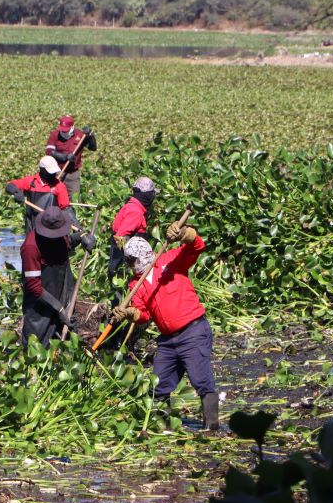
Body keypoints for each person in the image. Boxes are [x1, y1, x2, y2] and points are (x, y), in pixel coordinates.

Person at [112, 223, 219, 430]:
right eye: (128, 261)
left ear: (142, 255)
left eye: (132, 260)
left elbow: (197, 247)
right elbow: (143, 314)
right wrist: (129, 313)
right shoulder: (135, 284)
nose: (131, 265)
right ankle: (163, 426)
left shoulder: (170, 260)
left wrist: (184, 233)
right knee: (158, 385)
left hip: (192, 332)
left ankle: (212, 428)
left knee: (201, 381)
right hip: (168, 341)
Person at [20, 206, 95, 347]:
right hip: (40, 309)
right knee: (36, 349)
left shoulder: (59, 237)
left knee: (65, 347)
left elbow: (66, 244)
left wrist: (82, 236)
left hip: (63, 298)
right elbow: (33, 286)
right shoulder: (31, 247)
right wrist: (58, 308)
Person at [6, 156, 71, 233]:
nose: (53, 174)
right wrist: (16, 192)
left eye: (54, 172)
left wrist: (76, 227)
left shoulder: (60, 186)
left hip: (51, 229)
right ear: (42, 170)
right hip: (31, 227)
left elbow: (66, 208)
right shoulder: (30, 182)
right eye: (50, 172)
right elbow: (10, 185)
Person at [109, 177, 156, 279]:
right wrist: (131, 263)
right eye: (152, 193)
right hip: (123, 263)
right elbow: (120, 238)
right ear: (146, 195)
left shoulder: (130, 206)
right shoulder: (136, 212)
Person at [45, 115, 97, 200]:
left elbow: (93, 148)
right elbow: (49, 152)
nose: (63, 132)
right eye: (62, 130)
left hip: (73, 174)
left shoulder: (80, 135)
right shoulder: (54, 134)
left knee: (74, 198)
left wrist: (91, 135)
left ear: (72, 127)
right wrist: (64, 157)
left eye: (66, 130)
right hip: (57, 172)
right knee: (54, 197)